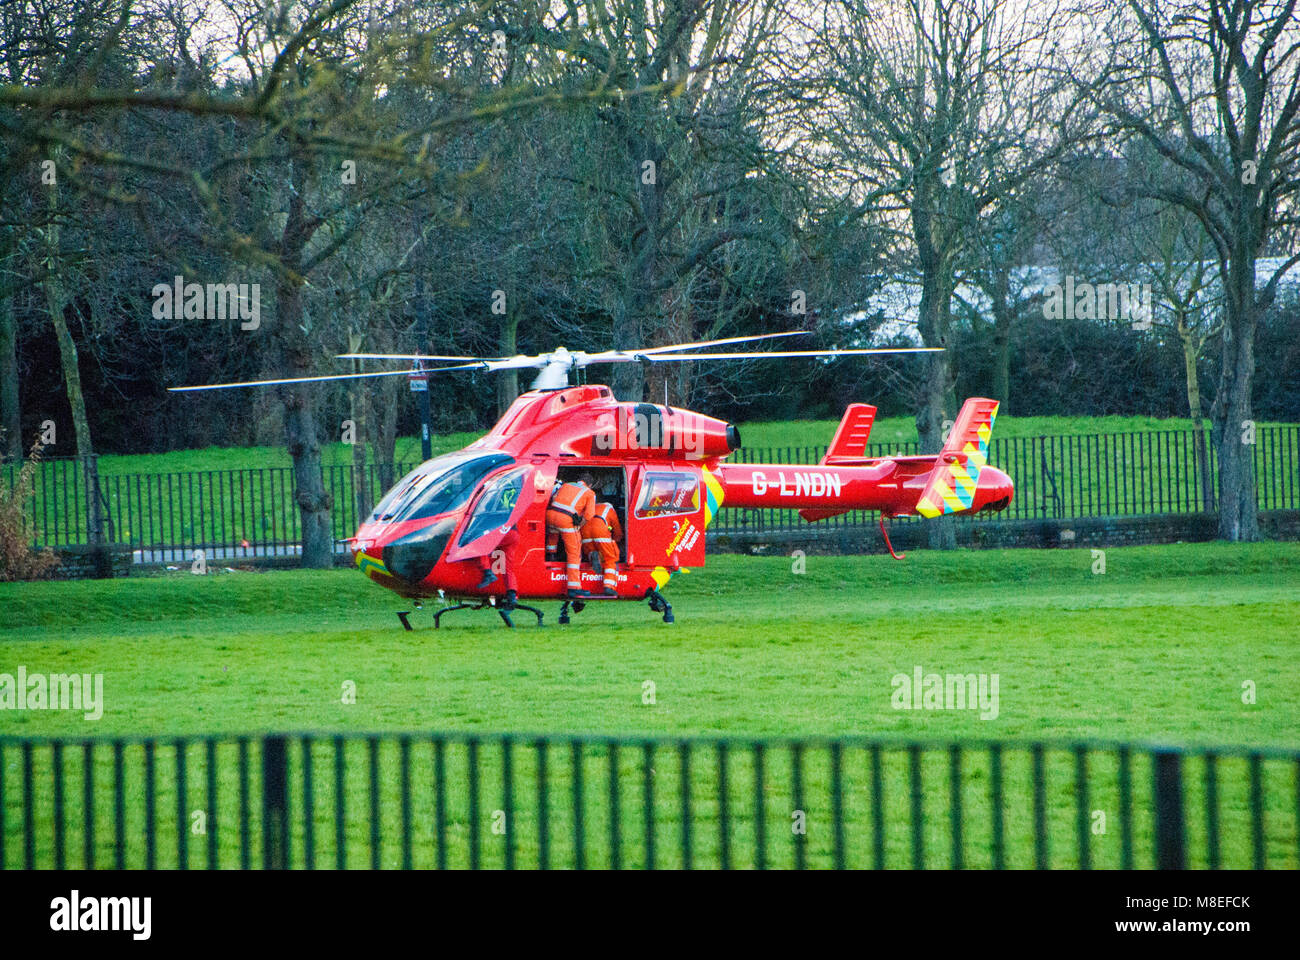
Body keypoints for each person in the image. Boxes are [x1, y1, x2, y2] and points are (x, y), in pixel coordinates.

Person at [546, 473, 596, 597]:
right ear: (590, 484)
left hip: (550, 514)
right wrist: (579, 525)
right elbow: (589, 515)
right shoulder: (589, 493)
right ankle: (574, 587)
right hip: (565, 519)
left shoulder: (566, 485)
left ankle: (551, 555)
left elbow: (553, 497)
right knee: (574, 553)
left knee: (553, 533)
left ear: (579, 480)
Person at [580, 500, 623, 595]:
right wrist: (616, 541)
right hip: (600, 530)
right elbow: (617, 531)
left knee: (590, 550)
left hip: (584, 531)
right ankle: (609, 587)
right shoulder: (610, 509)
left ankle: (593, 556)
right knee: (610, 559)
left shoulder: (591, 507)